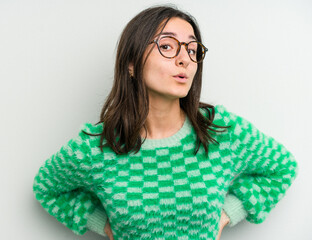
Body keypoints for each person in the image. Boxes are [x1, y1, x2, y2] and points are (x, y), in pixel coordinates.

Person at [33, 5, 298, 240]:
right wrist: (103, 224)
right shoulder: (97, 146)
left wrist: (227, 214)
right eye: (167, 46)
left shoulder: (220, 130)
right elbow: (47, 188)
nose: (185, 59)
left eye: (192, 50)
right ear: (132, 64)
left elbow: (283, 168)